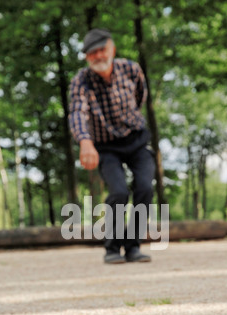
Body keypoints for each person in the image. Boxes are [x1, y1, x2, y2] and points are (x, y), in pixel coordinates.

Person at [69, 28, 156, 264]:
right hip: (105, 146)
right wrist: (85, 143)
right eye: (92, 53)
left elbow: (141, 96)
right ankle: (112, 248)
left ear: (112, 49)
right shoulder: (81, 81)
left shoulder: (131, 69)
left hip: (136, 139)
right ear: (87, 57)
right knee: (118, 192)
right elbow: (78, 111)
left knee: (145, 187)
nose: (98, 56)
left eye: (101, 50)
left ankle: (133, 247)